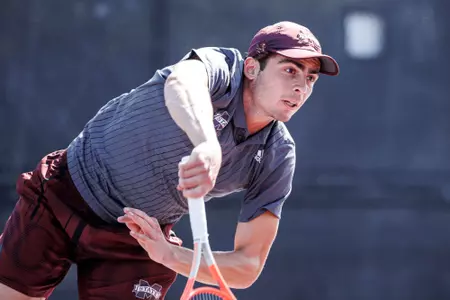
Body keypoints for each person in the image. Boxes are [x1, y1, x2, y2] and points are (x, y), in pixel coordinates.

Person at [0, 20, 339, 299]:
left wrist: (168, 254)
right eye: (290, 70)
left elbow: (247, 264)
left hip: (138, 240)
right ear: (252, 68)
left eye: (310, 78)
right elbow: (181, 84)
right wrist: (207, 144)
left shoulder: (277, 155)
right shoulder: (220, 67)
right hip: (64, 192)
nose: (301, 87)